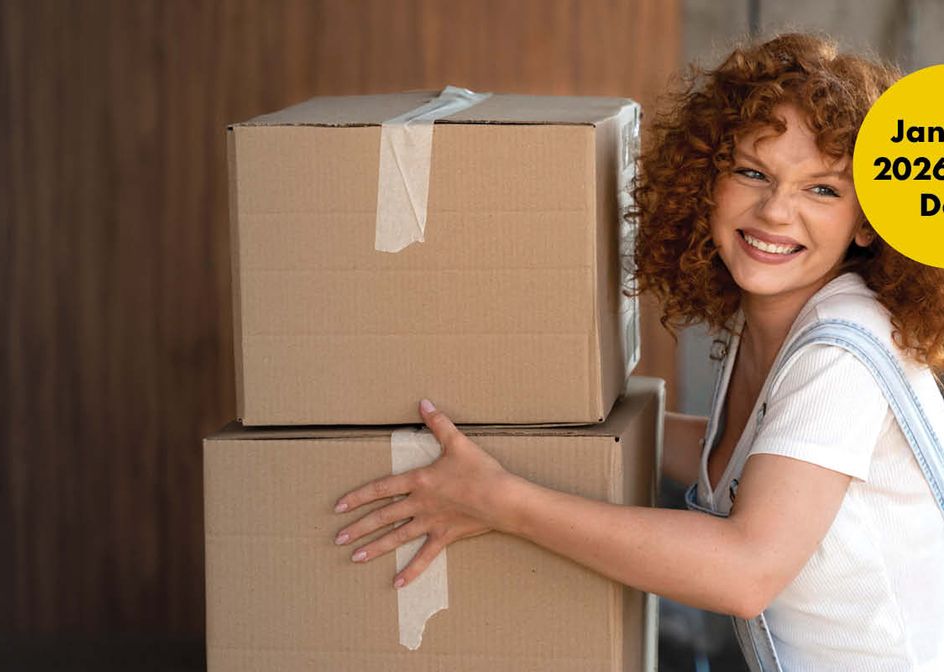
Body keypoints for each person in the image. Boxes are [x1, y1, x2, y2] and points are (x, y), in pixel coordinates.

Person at [332, 33, 944, 670]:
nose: (775, 212)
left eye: (821, 190)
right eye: (753, 172)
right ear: (708, 180)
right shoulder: (777, 318)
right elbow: (754, 459)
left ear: (868, 218)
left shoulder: (841, 350)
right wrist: (555, 430)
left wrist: (499, 502)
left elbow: (745, 573)